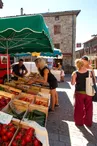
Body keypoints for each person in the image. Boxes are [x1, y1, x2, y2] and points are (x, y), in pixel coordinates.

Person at [71, 59, 93, 127]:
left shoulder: (75, 73)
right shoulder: (89, 72)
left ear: (77, 65)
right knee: (89, 108)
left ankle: (79, 122)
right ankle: (88, 122)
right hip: (88, 92)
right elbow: (93, 81)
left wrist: (73, 78)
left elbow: (72, 83)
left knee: (79, 108)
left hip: (79, 93)